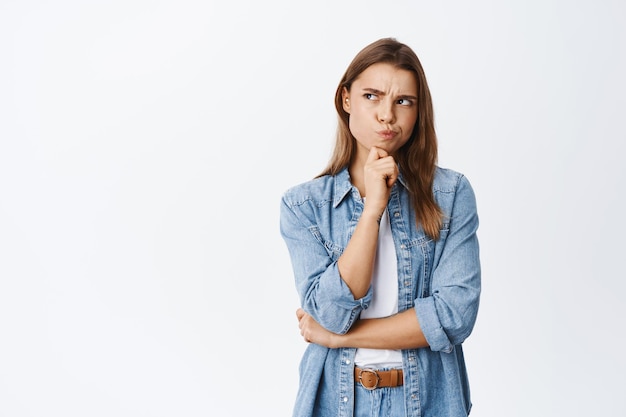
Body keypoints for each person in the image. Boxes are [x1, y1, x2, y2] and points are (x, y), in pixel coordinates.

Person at [279, 38, 481, 417]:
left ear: (418, 112)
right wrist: (373, 207)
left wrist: (336, 339)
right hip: (335, 403)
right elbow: (331, 313)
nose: (387, 114)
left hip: (427, 401)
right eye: (372, 96)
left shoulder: (451, 194)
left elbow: (453, 316)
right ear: (346, 100)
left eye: (404, 101)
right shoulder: (303, 206)